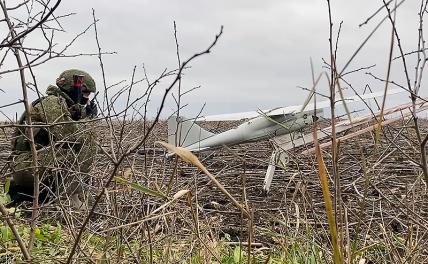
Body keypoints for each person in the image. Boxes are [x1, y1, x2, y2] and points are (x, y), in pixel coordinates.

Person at [6, 69, 98, 209]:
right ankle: (66, 199)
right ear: (72, 89)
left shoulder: (60, 105)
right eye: (85, 93)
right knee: (88, 142)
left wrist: (82, 115)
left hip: (31, 164)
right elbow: (71, 135)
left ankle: (67, 197)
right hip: (26, 165)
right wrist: (88, 119)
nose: (86, 98)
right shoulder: (51, 102)